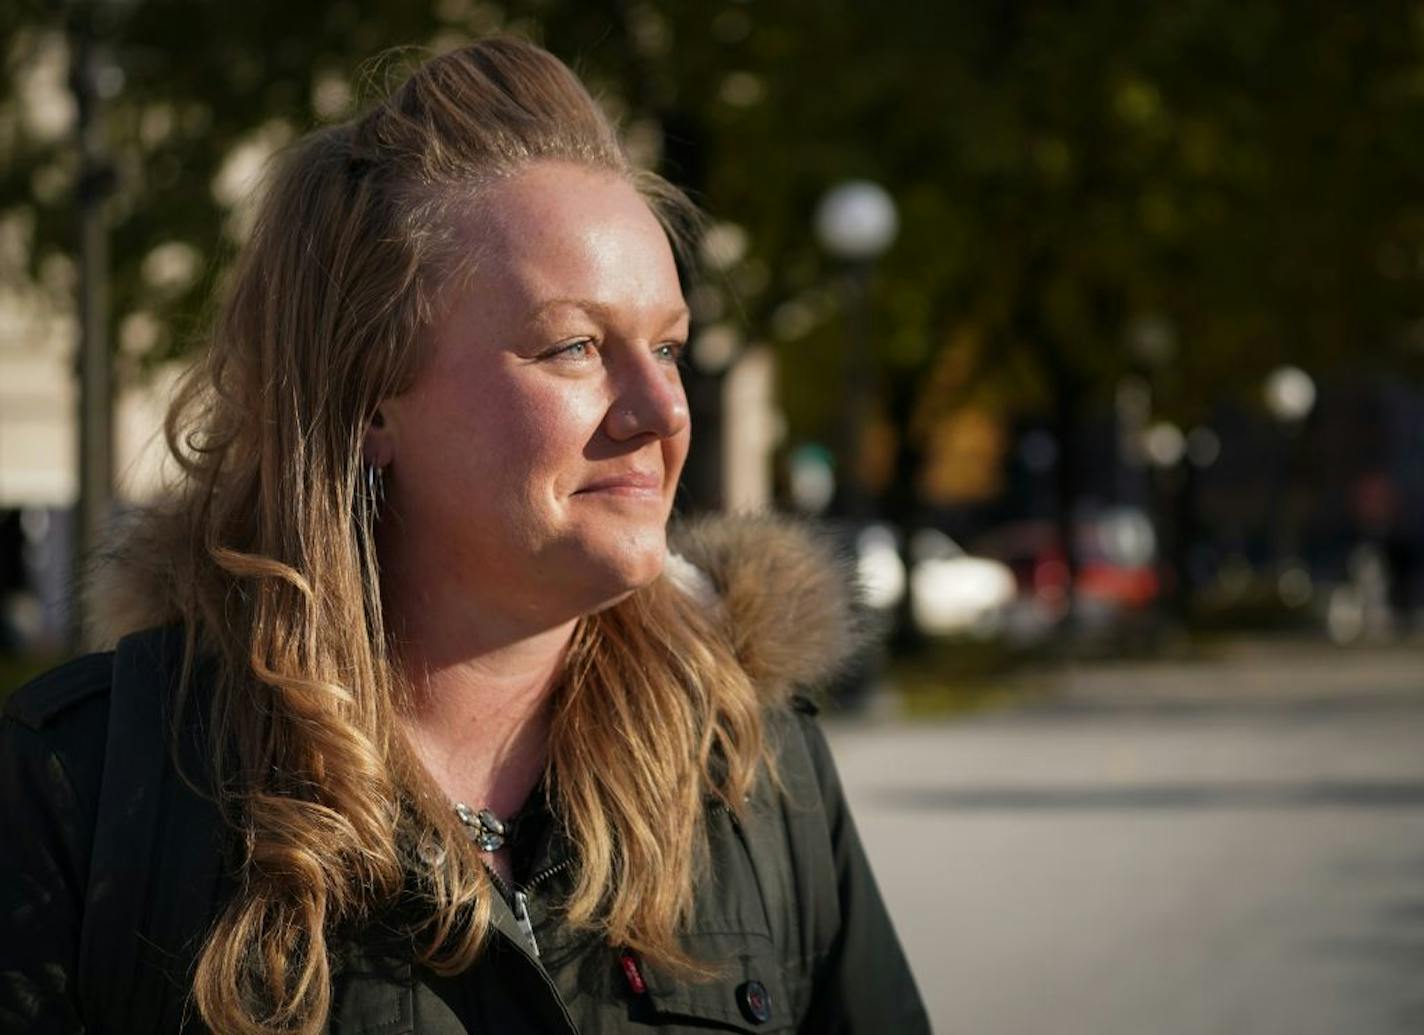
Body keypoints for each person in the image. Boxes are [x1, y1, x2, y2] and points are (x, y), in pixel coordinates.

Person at [0, 37, 930, 1034]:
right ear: (368, 404)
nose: (660, 409)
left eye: (666, 346)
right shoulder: (91, 792)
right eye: (572, 346)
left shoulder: (754, 773)